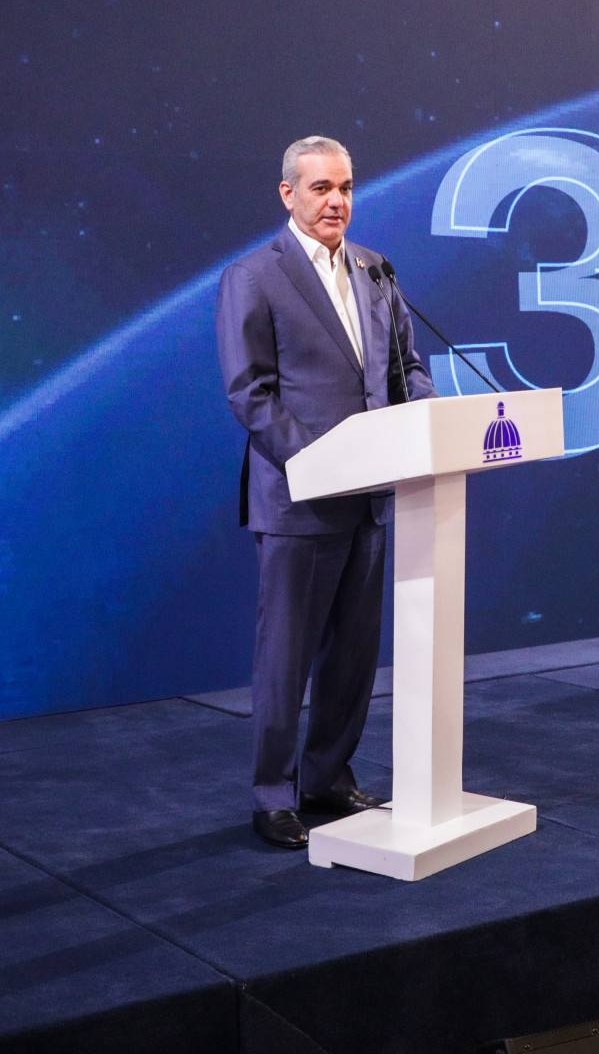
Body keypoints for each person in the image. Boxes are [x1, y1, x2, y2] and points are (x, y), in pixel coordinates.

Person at [214, 135, 436, 849]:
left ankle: (327, 778)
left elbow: (407, 366)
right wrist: (321, 462)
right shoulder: (254, 276)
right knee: (286, 656)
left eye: (345, 187)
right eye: (321, 188)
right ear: (288, 194)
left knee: (352, 655)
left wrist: (427, 419)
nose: (337, 200)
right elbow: (250, 392)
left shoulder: (375, 270)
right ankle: (274, 795)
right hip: (300, 498)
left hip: (371, 496)